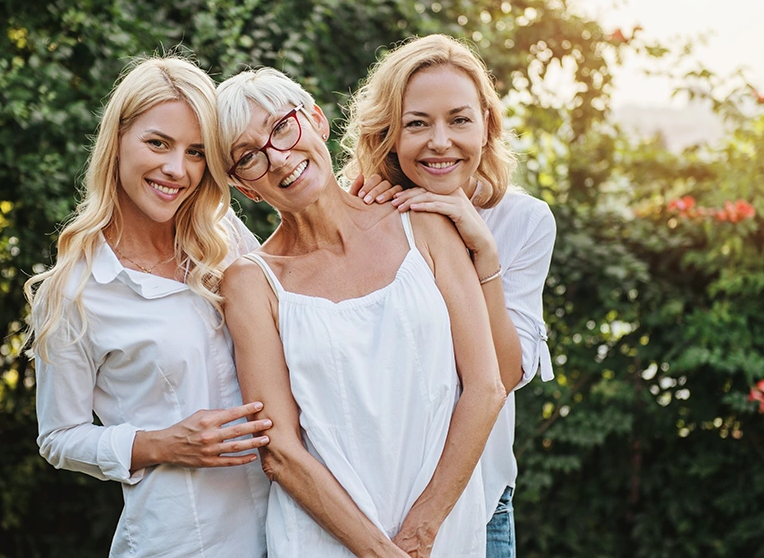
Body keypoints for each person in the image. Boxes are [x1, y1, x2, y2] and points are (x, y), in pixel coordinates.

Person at [215, 67, 506, 558]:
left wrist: (422, 530)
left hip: (444, 533)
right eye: (249, 157)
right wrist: (379, 552)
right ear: (244, 187)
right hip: (324, 542)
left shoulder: (424, 224)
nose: (279, 158)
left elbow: (486, 387)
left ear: (316, 119)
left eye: (282, 127)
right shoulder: (251, 283)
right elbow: (280, 452)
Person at [24, 56, 272, 558]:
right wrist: (162, 443)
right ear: (117, 141)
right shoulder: (75, 290)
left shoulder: (226, 239)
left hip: (290, 526)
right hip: (184, 541)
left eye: (197, 152)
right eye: (158, 143)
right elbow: (58, 437)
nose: (176, 169)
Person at [341, 34, 557, 558]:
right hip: (369, 503)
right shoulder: (363, 214)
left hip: (480, 503)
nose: (440, 141)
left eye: (459, 120)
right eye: (417, 123)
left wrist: (484, 252)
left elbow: (503, 377)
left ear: (487, 123)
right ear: (388, 133)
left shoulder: (523, 221)